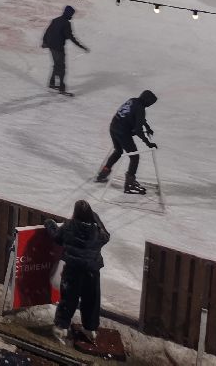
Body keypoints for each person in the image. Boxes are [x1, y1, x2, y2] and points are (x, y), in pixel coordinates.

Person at [46, 200, 110, 344]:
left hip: (73, 270)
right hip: (91, 271)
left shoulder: (69, 226)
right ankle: (90, 329)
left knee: (69, 298)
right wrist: (96, 217)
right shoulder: (97, 232)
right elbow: (106, 236)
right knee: (91, 300)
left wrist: (49, 223)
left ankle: (61, 327)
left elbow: (57, 237)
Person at [95, 89, 158, 194]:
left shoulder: (133, 100)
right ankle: (130, 184)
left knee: (118, 151)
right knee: (134, 157)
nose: (150, 105)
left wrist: (147, 127)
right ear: (147, 100)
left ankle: (103, 173)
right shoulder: (141, 109)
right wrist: (148, 143)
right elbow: (138, 130)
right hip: (122, 132)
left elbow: (139, 118)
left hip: (113, 127)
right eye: (150, 103)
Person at [42, 5, 89, 96]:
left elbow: (47, 32)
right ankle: (61, 89)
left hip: (52, 47)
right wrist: (82, 47)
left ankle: (52, 83)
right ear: (69, 13)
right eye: (72, 14)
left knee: (56, 65)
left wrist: (45, 42)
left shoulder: (56, 20)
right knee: (62, 68)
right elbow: (71, 37)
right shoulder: (66, 23)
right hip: (58, 48)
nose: (72, 16)